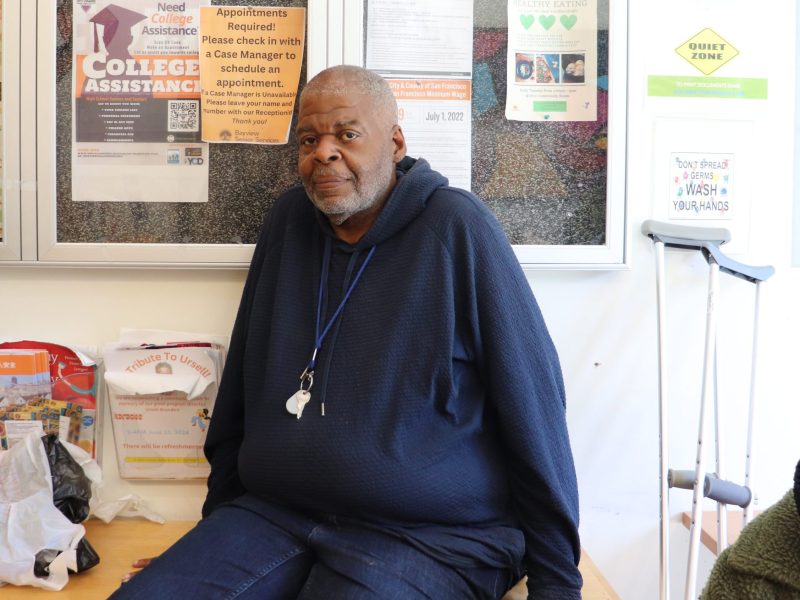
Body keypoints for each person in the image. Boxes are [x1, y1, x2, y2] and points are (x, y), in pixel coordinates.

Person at [110, 65, 581, 600]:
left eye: (347, 135)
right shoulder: (289, 222)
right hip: (276, 514)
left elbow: (534, 406)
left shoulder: (457, 228)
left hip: (429, 535)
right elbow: (243, 379)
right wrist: (217, 524)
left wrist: (556, 583)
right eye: (309, 140)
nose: (325, 152)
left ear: (396, 141)